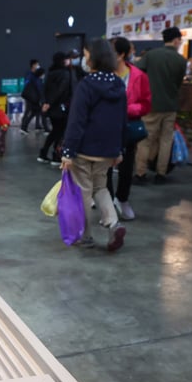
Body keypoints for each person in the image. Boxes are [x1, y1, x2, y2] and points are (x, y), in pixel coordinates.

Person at [60, 39, 128, 252]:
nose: (84, 58)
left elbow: (77, 121)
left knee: (84, 192)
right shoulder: (118, 84)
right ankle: (113, 224)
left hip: (84, 149)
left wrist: (68, 151)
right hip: (108, 150)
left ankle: (86, 236)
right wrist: (120, 149)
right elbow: (122, 121)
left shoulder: (86, 85)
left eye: (86, 54)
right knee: (101, 187)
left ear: (93, 57)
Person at [134, 26, 187, 184]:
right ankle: (161, 174)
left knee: (145, 140)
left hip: (151, 105)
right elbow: (179, 83)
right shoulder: (181, 60)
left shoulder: (151, 55)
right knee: (166, 140)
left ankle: (141, 173)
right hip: (171, 105)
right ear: (176, 40)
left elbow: (137, 73)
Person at [106, 36, 151, 221]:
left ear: (121, 54)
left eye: (111, 51)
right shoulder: (103, 75)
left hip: (128, 127)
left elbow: (146, 104)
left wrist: (127, 108)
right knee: (104, 167)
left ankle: (122, 199)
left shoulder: (139, 76)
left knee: (126, 165)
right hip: (105, 128)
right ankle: (106, 201)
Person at [39, 51, 76, 165]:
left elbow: (44, 89)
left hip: (52, 109)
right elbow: (62, 90)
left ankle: (44, 153)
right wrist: (51, 102)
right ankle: (56, 155)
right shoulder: (65, 73)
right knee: (60, 132)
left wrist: (46, 103)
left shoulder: (50, 72)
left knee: (55, 131)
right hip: (62, 107)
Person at [20, 65, 45, 134]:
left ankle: (24, 127)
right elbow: (39, 90)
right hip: (34, 100)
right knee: (34, 113)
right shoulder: (38, 80)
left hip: (32, 99)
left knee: (33, 113)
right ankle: (24, 127)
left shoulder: (34, 78)